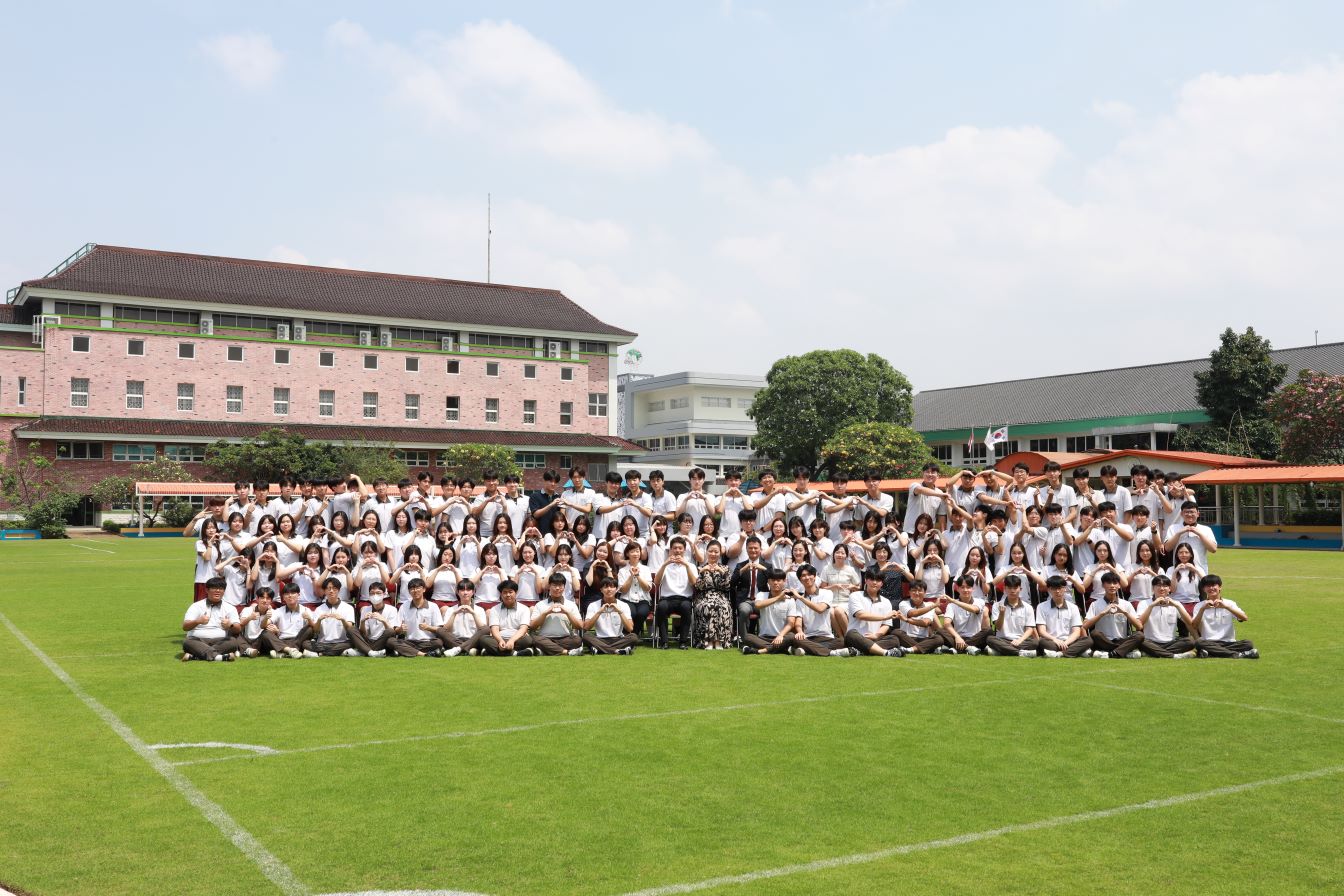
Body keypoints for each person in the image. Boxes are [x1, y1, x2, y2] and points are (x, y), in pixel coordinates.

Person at [837, 569, 905, 657]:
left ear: (882, 583)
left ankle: (861, 651)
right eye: (872, 579)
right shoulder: (855, 595)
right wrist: (884, 617)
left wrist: (876, 635)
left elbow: (886, 625)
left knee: (894, 639)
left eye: (878, 580)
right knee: (851, 634)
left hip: (874, 639)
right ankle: (886, 653)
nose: (875, 582)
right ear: (865, 580)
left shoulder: (886, 601)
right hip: (856, 637)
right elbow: (860, 615)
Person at [1191, 574, 1259, 658]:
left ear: (1220, 587)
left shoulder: (1229, 603)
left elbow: (1244, 618)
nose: (1211, 588)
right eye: (1208, 586)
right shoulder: (1199, 606)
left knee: (1248, 643)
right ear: (1204, 589)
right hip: (1209, 642)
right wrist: (1202, 609)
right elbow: (1194, 626)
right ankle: (1237, 654)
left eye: (1213, 585)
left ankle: (1211, 653)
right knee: (1199, 643)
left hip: (1229, 642)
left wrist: (1226, 607)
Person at [789, 565, 848, 656]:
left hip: (826, 637)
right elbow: (798, 621)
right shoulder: (799, 601)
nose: (807, 577)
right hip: (808, 637)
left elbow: (820, 609)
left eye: (809, 574)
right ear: (800, 580)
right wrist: (800, 631)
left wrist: (800, 598)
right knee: (796, 639)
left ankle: (807, 650)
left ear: (815, 576)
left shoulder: (826, 593)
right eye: (803, 575)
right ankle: (832, 653)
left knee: (842, 642)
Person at [1082, 572, 1145, 658]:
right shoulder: (1095, 604)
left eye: (1115, 583)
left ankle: (1110, 654)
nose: (1112, 586)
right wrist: (1102, 614)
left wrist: (1125, 613)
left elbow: (1139, 626)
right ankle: (1123, 651)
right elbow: (1085, 626)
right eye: (1108, 583)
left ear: (1119, 585)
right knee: (1094, 633)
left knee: (1140, 635)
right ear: (1103, 585)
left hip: (1121, 640)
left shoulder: (1126, 604)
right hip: (1103, 641)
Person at [181, 577, 242, 662]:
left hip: (220, 641)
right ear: (207, 590)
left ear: (224, 591)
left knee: (233, 642)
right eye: (214, 588)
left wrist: (230, 625)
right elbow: (185, 627)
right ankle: (219, 657)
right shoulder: (196, 606)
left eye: (221, 588)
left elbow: (238, 629)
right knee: (188, 642)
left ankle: (197, 656)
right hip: (198, 640)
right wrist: (198, 621)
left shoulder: (230, 608)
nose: (218, 591)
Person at [1135, 576, 1198, 659]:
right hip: (1150, 641)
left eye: (1165, 586)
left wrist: (1177, 606)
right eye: (1158, 585)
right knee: (1140, 641)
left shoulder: (1176, 603)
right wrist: (1151, 606)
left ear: (1169, 589)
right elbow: (1140, 624)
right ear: (1153, 588)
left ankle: (1153, 653)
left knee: (1190, 641)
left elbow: (1190, 622)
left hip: (1170, 642)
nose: (1162, 588)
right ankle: (1173, 655)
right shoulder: (1144, 603)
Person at [309, 578, 372, 656]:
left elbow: (350, 628)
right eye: (328, 588)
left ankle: (323, 652)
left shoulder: (348, 607)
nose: (331, 591)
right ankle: (338, 652)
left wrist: (342, 620)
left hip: (342, 642)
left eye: (334, 588)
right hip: (323, 643)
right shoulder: (319, 609)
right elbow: (315, 630)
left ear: (339, 590)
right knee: (306, 644)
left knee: (352, 643)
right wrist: (319, 620)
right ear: (324, 591)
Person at [741, 569, 798, 655]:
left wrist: (780, 636)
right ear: (768, 582)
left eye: (778, 580)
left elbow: (791, 623)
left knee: (792, 636)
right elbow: (758, 605)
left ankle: (760, 650)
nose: (775, 583)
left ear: (784, 581)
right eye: (773, 580)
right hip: (764, 637)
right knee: (747, 637)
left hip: (782, 637)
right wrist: (778, 598)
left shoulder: (790, 600)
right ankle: (783, 649)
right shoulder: (762, 594)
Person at [654, 536, 697, 649]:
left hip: (684, 598)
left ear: (684, 550)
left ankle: (683, 642)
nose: (677, 550)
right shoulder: (665, 565)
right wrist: (664, 565)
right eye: (675, 548)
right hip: (667, 598)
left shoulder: (691, 565)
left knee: (687, 608)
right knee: (661, 607)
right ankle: (664, 642)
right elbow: (656, 582)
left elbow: (694, 583)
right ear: (671, 549)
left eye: (680, 548)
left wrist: (686, 566)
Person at [1035, 576, 1093, 658]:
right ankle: (1074, 651)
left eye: (1060, 588)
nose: (1057, 591)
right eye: (1054, 589)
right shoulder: (1041, 607)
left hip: (1070, 641)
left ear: (1065, 589)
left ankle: (1060, 654)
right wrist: (1055, 640)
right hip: (1051, 641)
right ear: (1049, 589)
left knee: (1088, 640)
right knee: (1041, 641)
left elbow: (1076, 632)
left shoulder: (1073, 607)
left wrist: (1065, 643)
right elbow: (1041, 631)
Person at [529, 574, 586, 656]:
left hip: (565, 639)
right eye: (554, 585)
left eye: (560, 585)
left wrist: (567, 613)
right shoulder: (540, 604)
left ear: (564, 587)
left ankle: (547, 650)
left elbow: (580, 626)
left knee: (577, 640)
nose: (557, 588)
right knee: (534, 639)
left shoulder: (571, 604)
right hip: (545, 638)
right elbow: (532, 626)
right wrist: (545, 613)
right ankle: (566, 652)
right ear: (549, 586)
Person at [693, 541, 734, 650]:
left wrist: (721, 572)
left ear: (720, 553)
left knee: (723, 606)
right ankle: (708, 641)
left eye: (716, 552)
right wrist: (702, 572)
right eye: (710, 551)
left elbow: (727, 587)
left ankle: (719, 641)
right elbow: (698, 587)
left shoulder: (726, 568)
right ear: (706, 552)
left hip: (721, 596)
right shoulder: (700, 568)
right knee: (708, 606)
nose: (713, 554)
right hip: (704, 596)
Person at [581, 577, 639, 654]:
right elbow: (586, 627)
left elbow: (630, 628)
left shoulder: (624, 605)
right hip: (600, 638)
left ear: (616, 589)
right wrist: (599, 612)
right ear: (601, 590)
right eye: (606, 587)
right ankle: (616, 651)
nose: (609, 589)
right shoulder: (593, 605)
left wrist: (620, 612)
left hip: (618, 638)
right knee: (586, 636)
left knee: (633, 637)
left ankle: (600, 649)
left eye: (612, 587)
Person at [986, 575, 1040, 657]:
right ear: (1005, 589)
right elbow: (998, 627)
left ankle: (1002, 650)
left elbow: (1030, 629)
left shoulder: (1028, 607)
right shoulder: (997, 605)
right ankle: (1020, 653)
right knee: (990, 639)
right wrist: (1001, 614)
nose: (1012, 591)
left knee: (1034, 642)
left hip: (1021, 640)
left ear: (1020, 589)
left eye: (1015, 588)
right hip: (1002, 639)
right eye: (1009, 588)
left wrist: (1020, 640)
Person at [480, 580, 537, 656]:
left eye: (510, 592)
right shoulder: (494, 609)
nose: (508, 595)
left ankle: (492, 651)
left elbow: (523, 629)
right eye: (505, 592)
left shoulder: (524, 609)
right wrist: (500, 640)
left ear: (516, 593)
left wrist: (512, 640)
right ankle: (515, 653)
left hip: (517, 639)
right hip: (499, 639)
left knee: (528, 640)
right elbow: (494, 629)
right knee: (483, 639)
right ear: (501, 594)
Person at [390, 579, 445, 657]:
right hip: (409, 641)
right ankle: (424, 654)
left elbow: (439, 628)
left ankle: (405, 651)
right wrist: (400, 629)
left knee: (438, 642)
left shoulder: (433, 606)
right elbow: (396, 629)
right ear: (409, 592)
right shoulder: (404, 606)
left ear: (424, 589)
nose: (415, 591)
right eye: (412, 589)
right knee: (390, 641)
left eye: (418, 588)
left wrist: (428, 627)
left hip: (428, 641)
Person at [891, 580, 947, 655]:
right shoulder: (903, 603)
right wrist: (934, 606)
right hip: (907, 637)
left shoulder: (929, 605)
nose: (917, 593)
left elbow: (926, 623)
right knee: (896, 632)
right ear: (909, 592)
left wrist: (907, 620)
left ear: (925, 592)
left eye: (920, 590)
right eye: (914, 590)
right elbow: (912, 613)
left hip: (923, 639)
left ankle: (911, 649)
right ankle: (927, 648)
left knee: (939, 639)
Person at [940, 575, 991, 655]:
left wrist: (954, 601)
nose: (965, 590)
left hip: (976, 637)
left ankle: (957, 648)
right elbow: (946, 623)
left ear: (973, 589)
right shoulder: (951, 605)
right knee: (940, 631)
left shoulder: (980, 601)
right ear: (957, 589)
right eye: (962, 587)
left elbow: (974, 609)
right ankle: (968, 647)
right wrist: (957, 637)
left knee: (988, 631)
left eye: (968, 587)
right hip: (958, 637)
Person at [262, 584, 315, 658]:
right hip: (282, 640)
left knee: (310, 629)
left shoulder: (305, 610)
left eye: (293, 593)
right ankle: (290, 650)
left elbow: (315, 629)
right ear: (283, 597)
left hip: (299, 639)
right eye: (287, 594)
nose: (290, 596)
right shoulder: (279, 611)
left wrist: (309, 619)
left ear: (298, 595)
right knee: (265, 633)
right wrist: (266, 618)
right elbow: (263, 626)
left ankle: (283, 651)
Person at [1163, 501, 1219, 571]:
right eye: (1186, 512)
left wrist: (1200, 534)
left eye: (1192, 512)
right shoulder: (1173, 528)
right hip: (1179, 569)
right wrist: (1179, 533)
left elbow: (1213, 549)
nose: (1189, 514)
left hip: (1200, 570)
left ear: (1198, 514)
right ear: (1181, 514)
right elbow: (1167, 548)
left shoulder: (1206, 529)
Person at [355, 583, 397, 657]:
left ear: (384, 594)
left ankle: (365, 651)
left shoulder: (392, 609)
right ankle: (372, 652)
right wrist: (362, 622)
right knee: (351, 629)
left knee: (390, 632)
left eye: (378, 593)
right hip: (368, 640)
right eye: (372, 593)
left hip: (383, 641)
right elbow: (364, 633)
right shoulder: (365, 609)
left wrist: (384, 621)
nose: (375, 596)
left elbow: (392, 632)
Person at [238, 588, 277, 657]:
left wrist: (276, 630)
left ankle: (245, 650)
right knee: (234, 631)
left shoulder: (274, 612)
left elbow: (265, 626)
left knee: (266, 633)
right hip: (247, 640)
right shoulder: (248, 610)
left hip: (261, 642)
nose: (265, 601)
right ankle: (248, 650)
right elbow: (240, 623)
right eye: (262, 598)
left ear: (271, 600)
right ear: (257, 599)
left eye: (268, 598)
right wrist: (249, 618)